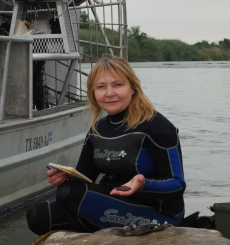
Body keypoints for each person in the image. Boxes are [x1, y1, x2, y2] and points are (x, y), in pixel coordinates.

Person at [27, 56, 186, 235]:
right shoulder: (98, 129)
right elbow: (83, 180)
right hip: (112, 202)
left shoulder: (157, 126)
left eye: (117, 85)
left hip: (158, 212)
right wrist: (62, 177)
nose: (109, 93)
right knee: (37, 216)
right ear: (93, 92)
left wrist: (144, 185)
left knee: (70, 194)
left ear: (133, 88)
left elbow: (178, 184)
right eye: (101, 87)